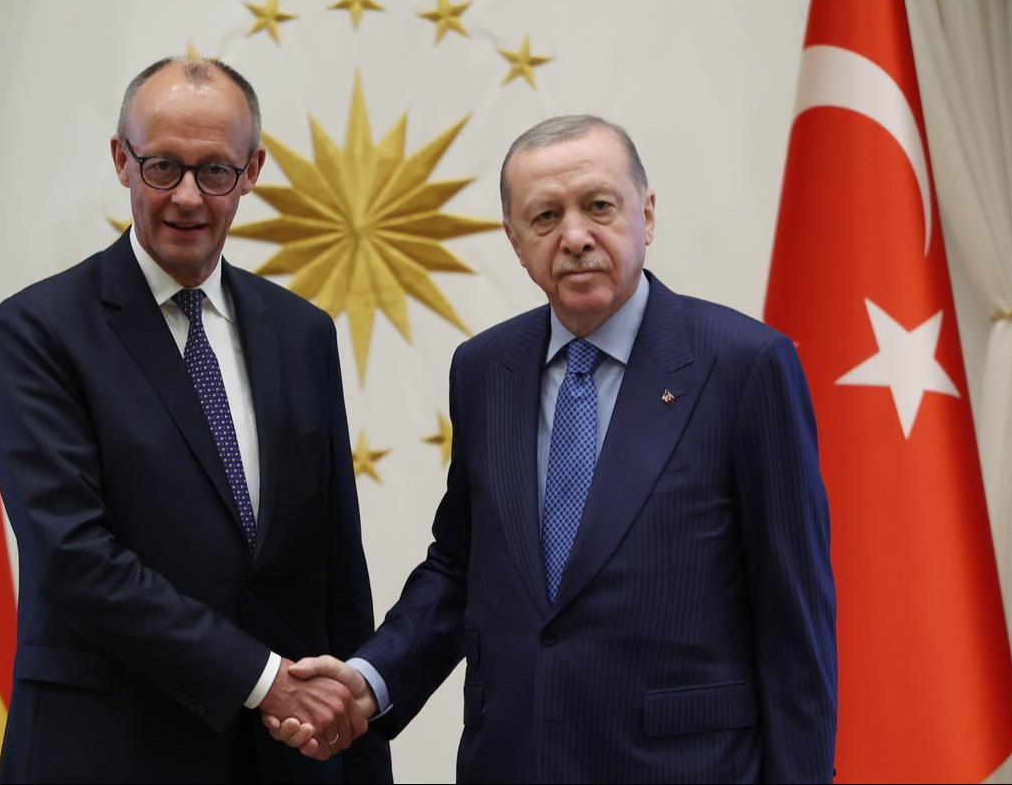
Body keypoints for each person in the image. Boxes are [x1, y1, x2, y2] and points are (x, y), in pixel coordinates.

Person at [267, 115, 837, 782]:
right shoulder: (484, 370)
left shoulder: (744, 366)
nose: (574, 237)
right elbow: (462, 566)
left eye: (598, 206)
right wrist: (369, 680)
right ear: (515, 240)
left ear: (646, 214)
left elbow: (795, 623)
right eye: (544, 217)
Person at [0, 57, 391, 783]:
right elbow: (74, 555)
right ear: (122, 159)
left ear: (253, 169)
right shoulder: (40, 329)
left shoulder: (301, 333)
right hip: (109, 750)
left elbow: (335, 570)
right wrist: (263, 677)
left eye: (215, 172)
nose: (187, 198)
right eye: (163, 167)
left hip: (287, 762)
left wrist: (358, 750)